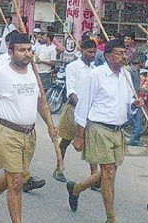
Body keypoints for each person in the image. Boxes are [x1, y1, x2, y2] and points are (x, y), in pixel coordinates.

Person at [0, 33, 57, 223]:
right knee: (15, 182)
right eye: (22, 50)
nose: (27, 54)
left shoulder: (34, 73)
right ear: (10, 51)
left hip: (29, 133)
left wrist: (50, 125)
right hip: (7, 132)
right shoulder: (0, 75)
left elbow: (41, 102)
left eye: (29, 50)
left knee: (15, 176)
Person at [68, 39, 144, 223]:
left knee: (110, 171)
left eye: (125, 53)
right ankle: (111, 219)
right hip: (99, 129)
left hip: (118, 131)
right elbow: (83, 107)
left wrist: (134, 105)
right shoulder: (96, 75)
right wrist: (79, 136)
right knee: (109, 173)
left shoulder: (125, 75)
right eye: (119, 53)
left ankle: (77, 188)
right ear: (108, 56)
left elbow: (127, 105)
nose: (124, 56)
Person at [53, 39, 97, 184]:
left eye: (94, 52)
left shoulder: (95, 69)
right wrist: (81, 106)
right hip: (73, 109)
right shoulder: (72, 67)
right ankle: (59, 168)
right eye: (89, 52)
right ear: (82, 51)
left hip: (90, 113)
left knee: (90, 144)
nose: (92, 55)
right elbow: (71, 90)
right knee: (65, 140)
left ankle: (93, 177)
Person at [127, 52, 147, 147]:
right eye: (144, 62)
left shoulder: (137, 71)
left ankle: (134, 140)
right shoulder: (129, 71)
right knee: (136, 122)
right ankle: (134, 140)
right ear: (141, 62)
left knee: (137, 121)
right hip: (130, 100)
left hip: (136, 99)